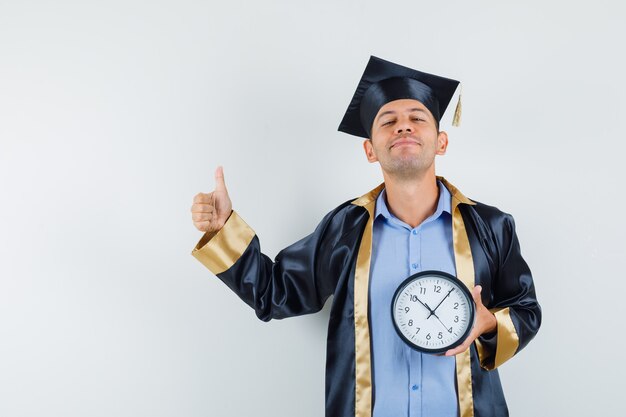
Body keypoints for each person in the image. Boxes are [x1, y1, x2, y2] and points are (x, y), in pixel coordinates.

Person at [190, 56, 541, 417]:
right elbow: (273, 291)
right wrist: (223, 230)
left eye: (417, 118)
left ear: (441, 141)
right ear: (370, 149)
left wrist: (488, 323)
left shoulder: (490, 226)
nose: (403, 127)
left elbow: (527, 310)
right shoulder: (345, 229)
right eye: (388, 121)